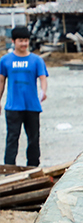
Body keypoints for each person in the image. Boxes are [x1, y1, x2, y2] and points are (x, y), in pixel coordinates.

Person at [0, 26, 48, 167]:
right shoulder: (5, 61)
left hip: (32, 106)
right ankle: (8, 168)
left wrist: (43, 91)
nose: (24, 44)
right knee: (12, 138)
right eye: (21, 41)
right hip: (13, 106)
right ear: (13, 41)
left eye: (26, 40)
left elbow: (43, 78)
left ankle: (33, 167)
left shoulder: (36, 60)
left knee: (33, 139)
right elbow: (1, 81)